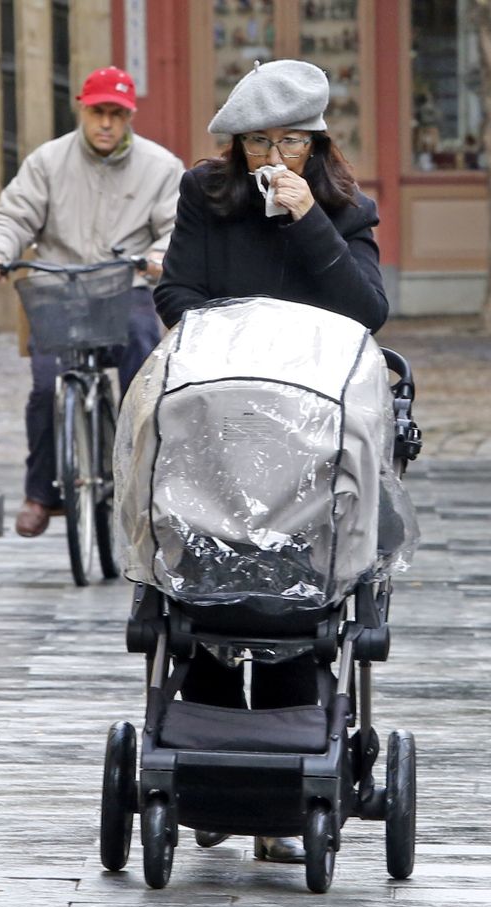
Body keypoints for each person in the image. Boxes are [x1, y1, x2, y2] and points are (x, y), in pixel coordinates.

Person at [153, 58, 388, 863]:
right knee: (212, 608)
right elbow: (176, 294)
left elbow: (366, 315)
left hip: (308, 443)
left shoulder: (345, 209)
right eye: (257, 142)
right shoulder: (203, 194)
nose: (271, 156)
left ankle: (287, 797)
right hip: (217, 428)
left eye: (288, 140)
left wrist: (309, 222)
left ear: (315, 143)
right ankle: (211, 779)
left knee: (298, 612)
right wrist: (235, 349)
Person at [0, 66, 184, 538]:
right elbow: (14, 215)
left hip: (122, 287)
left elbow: (177, 227)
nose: (106, 123)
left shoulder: (161, 166)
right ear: (82, 111)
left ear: (128, 117)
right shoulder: (47, 161)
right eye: (97, 112)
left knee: (142, 374)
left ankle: (146, 476)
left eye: (116, 113)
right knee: (46, 387)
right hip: (58, 290)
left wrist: (156, 256)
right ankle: (40, 494)